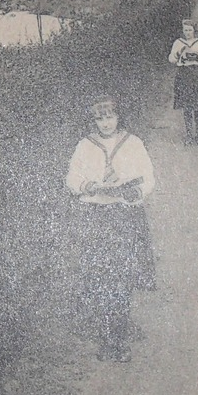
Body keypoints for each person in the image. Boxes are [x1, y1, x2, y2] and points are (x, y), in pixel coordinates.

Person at [65, 95, 158, 362]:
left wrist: (135, 191)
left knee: (122, 278)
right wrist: (88, 186)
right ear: (92, 121)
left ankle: (119, 338)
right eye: (100, 118)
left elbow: (149, 177)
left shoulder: (133, 143)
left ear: (119, 118)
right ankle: (107, 338)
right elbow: (72, 177)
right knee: (100, 276)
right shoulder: (85, 145)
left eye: (110, 117)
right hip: (95, 216)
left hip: (125, 215)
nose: (106, 124)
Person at [168, 19, 198, 144]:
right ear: (182, 31)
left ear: (194, 30)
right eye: (185, 30)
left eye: (190, 30)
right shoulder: (178, 42)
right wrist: (179, 52)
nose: (188, 33)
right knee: (186, 106)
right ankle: (189, 135)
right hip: (183, 74)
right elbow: (171, 59)